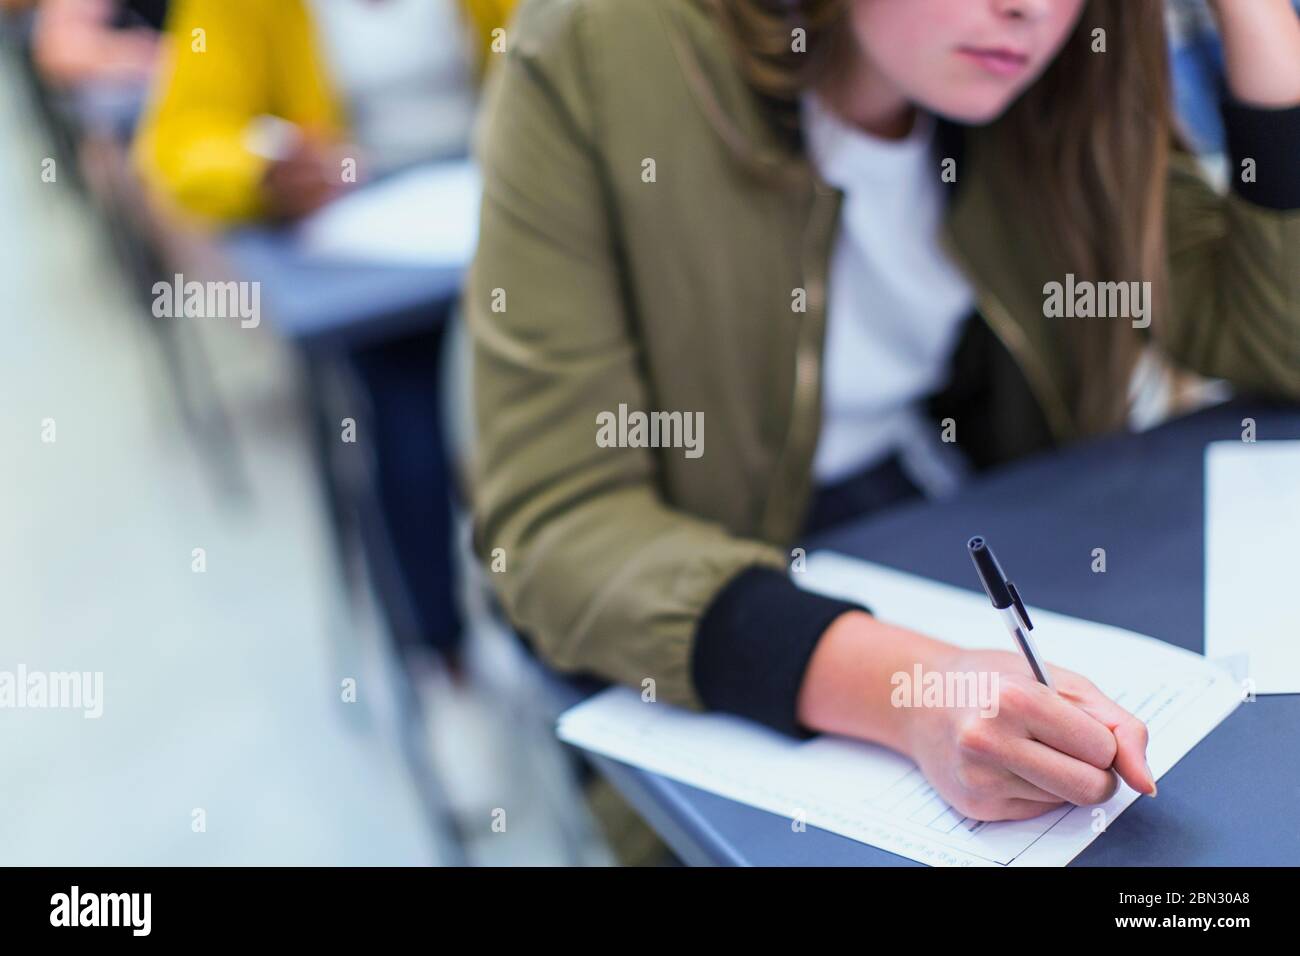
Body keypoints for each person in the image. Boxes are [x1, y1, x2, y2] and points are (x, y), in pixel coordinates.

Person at [467, 0, 1299, 833]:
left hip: (951, 531)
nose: (1030, 11)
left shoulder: (1068, 68)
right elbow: (555, 527)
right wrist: (911, 690)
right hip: (702, 598)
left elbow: (1278, 340)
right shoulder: (600, 44)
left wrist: (1257, 19)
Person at [133, 0, 516, 671]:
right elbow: (179, 143)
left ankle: (548, 634)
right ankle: (441, 654)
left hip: (505, 205)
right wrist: (262, 170)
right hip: (369, 250)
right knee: (407, 436)